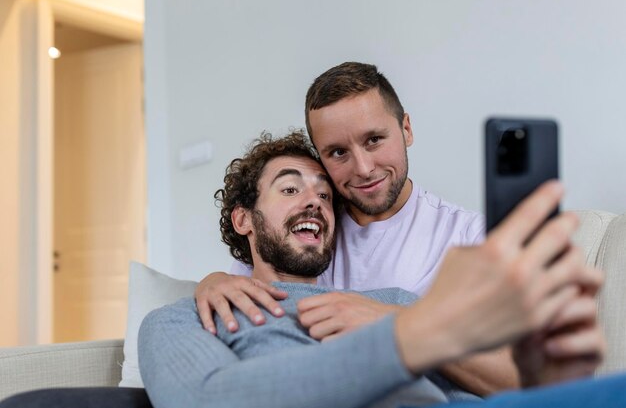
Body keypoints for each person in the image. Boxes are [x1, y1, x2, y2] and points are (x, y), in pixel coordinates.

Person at [138, 131, 615, 408]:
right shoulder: (181, 319)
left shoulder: (388, 304)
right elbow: (207, 401)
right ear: (243, 218)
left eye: (325, 195)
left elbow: (517, 386)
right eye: (289, 190)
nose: (314, 201)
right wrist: (404, 340)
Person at [194, 62, 513, 394]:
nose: (363, 169)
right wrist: (211, 283)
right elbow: (240, 308)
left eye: (374, 140)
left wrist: (392, 324)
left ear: (406, 129)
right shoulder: (302, 230)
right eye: (337, 152)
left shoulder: (473, 237)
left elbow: (522, 378)